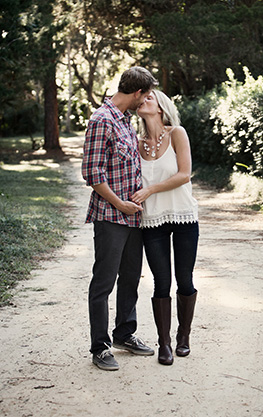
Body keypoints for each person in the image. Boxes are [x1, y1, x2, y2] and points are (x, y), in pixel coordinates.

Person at [82, 66, 159, 371]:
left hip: (133, 218)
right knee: (103, 282)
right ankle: (99, 347)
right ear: (137, 93)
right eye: (147, 95)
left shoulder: (126, 120)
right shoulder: (102, 120)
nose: (147, 100)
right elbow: (92, 173)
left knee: (130, 278)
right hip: (111, 216)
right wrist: (120, 204)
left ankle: (124, 334)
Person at [131, 90, 200, 366]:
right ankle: (165, 343)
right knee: (161, 281)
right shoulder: (137, 144)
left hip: (183, 215)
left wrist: (150, 190)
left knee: (184, 278)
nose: (142, 101)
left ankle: (184, 337)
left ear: (161, 107)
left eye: (149, 98)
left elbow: (185, 174)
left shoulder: (177, 134)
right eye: (141, 99)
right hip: (152, 220)